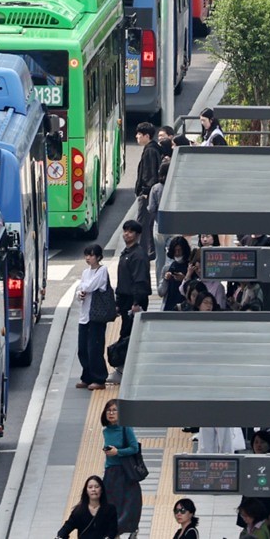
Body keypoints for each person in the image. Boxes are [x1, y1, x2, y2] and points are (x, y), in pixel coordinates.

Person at [107, 220, 150, 384]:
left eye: (130, 232)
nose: (126, 234)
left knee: (129, 336)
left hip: (134, 301)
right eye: (125, 231)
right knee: (126, 334)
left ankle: (123, 370)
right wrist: (118, 302)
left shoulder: (138, 255)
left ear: (137, 235)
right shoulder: (127, 252)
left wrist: (136, 303)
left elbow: (140, 281)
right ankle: (123, 370)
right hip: (126, 299)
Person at [102, 400, 143, 536]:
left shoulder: (126, 428)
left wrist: (117, 452)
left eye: (114, 410)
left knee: (128, 504)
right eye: (109, 410)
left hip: (125, 473)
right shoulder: (106, 431)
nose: (111, 413)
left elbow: (134, 448)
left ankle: (131, 530)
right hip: (110, 473)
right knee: (110, 506)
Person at [75, 244, 111, 390]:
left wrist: (82, 289)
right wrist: (80, 293)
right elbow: (80, 290)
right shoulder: (85, 272)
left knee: (94, 348)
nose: (88, 258)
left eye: (91, 255)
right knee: (82, 348)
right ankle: (87, 376)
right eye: (86, 255)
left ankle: (99, 378)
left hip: (96, 316)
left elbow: (90, 286)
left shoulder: (102, 271)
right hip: (85, 315)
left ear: (98, 257)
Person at [57, 475, 119, 539]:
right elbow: (67, 527)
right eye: (90, 487)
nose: (93, 489)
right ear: (86, 491)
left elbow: (113, 530)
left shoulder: (110, 510)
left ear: (102, 490)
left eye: (97, 487)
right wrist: (60, 536)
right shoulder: (78, 511)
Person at [134, 122, 162, 259]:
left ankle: (144, 251)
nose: (136, 137)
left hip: (147, 193)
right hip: (149, 192)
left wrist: (145, 191)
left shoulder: (150, 150)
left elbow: (149, 173)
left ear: (146, 136)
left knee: (143, 223)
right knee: (147, 223)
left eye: (139, 134)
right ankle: (147, 250)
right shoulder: (152, 148)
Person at [162, 236, 191, 310]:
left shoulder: (190, 267)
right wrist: (165, 279)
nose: (177, 253)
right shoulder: (167, 267)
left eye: (179, 250)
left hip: (185, 305)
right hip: (169, 305)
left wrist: (184, 279)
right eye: (175, 251)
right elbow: (161, 292)